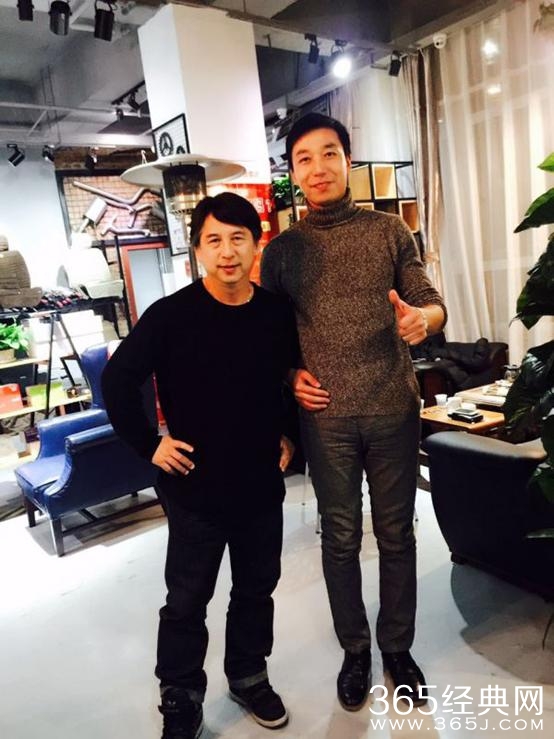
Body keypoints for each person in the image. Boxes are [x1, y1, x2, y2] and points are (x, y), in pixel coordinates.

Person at [261, 113, 447, 711]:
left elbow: (428, 300)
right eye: (304, 159)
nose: (318, 168)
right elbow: (270, 338)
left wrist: (424, 321)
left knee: (396, 533)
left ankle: (398, 648)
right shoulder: (282, 252)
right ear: (293, 173)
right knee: (339, 537)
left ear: (347, 160)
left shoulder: (389, 230)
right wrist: (289, 375)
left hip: (393, 407)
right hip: (326, 419)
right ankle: (355, 651)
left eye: (328, 154)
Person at [102, 192, 298, 739]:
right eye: (214, 240)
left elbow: (284, 378)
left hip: (259, 484)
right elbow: (118, 379)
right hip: (194, 487)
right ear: (197, 250)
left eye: (238, 238)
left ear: (256, 246)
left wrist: (288, 435)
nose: (227, 251)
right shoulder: (171, 316)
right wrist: (149, 444)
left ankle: (249, 675)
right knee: (188, 599)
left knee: (256, 588)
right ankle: (181, 694)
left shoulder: (275, 313)